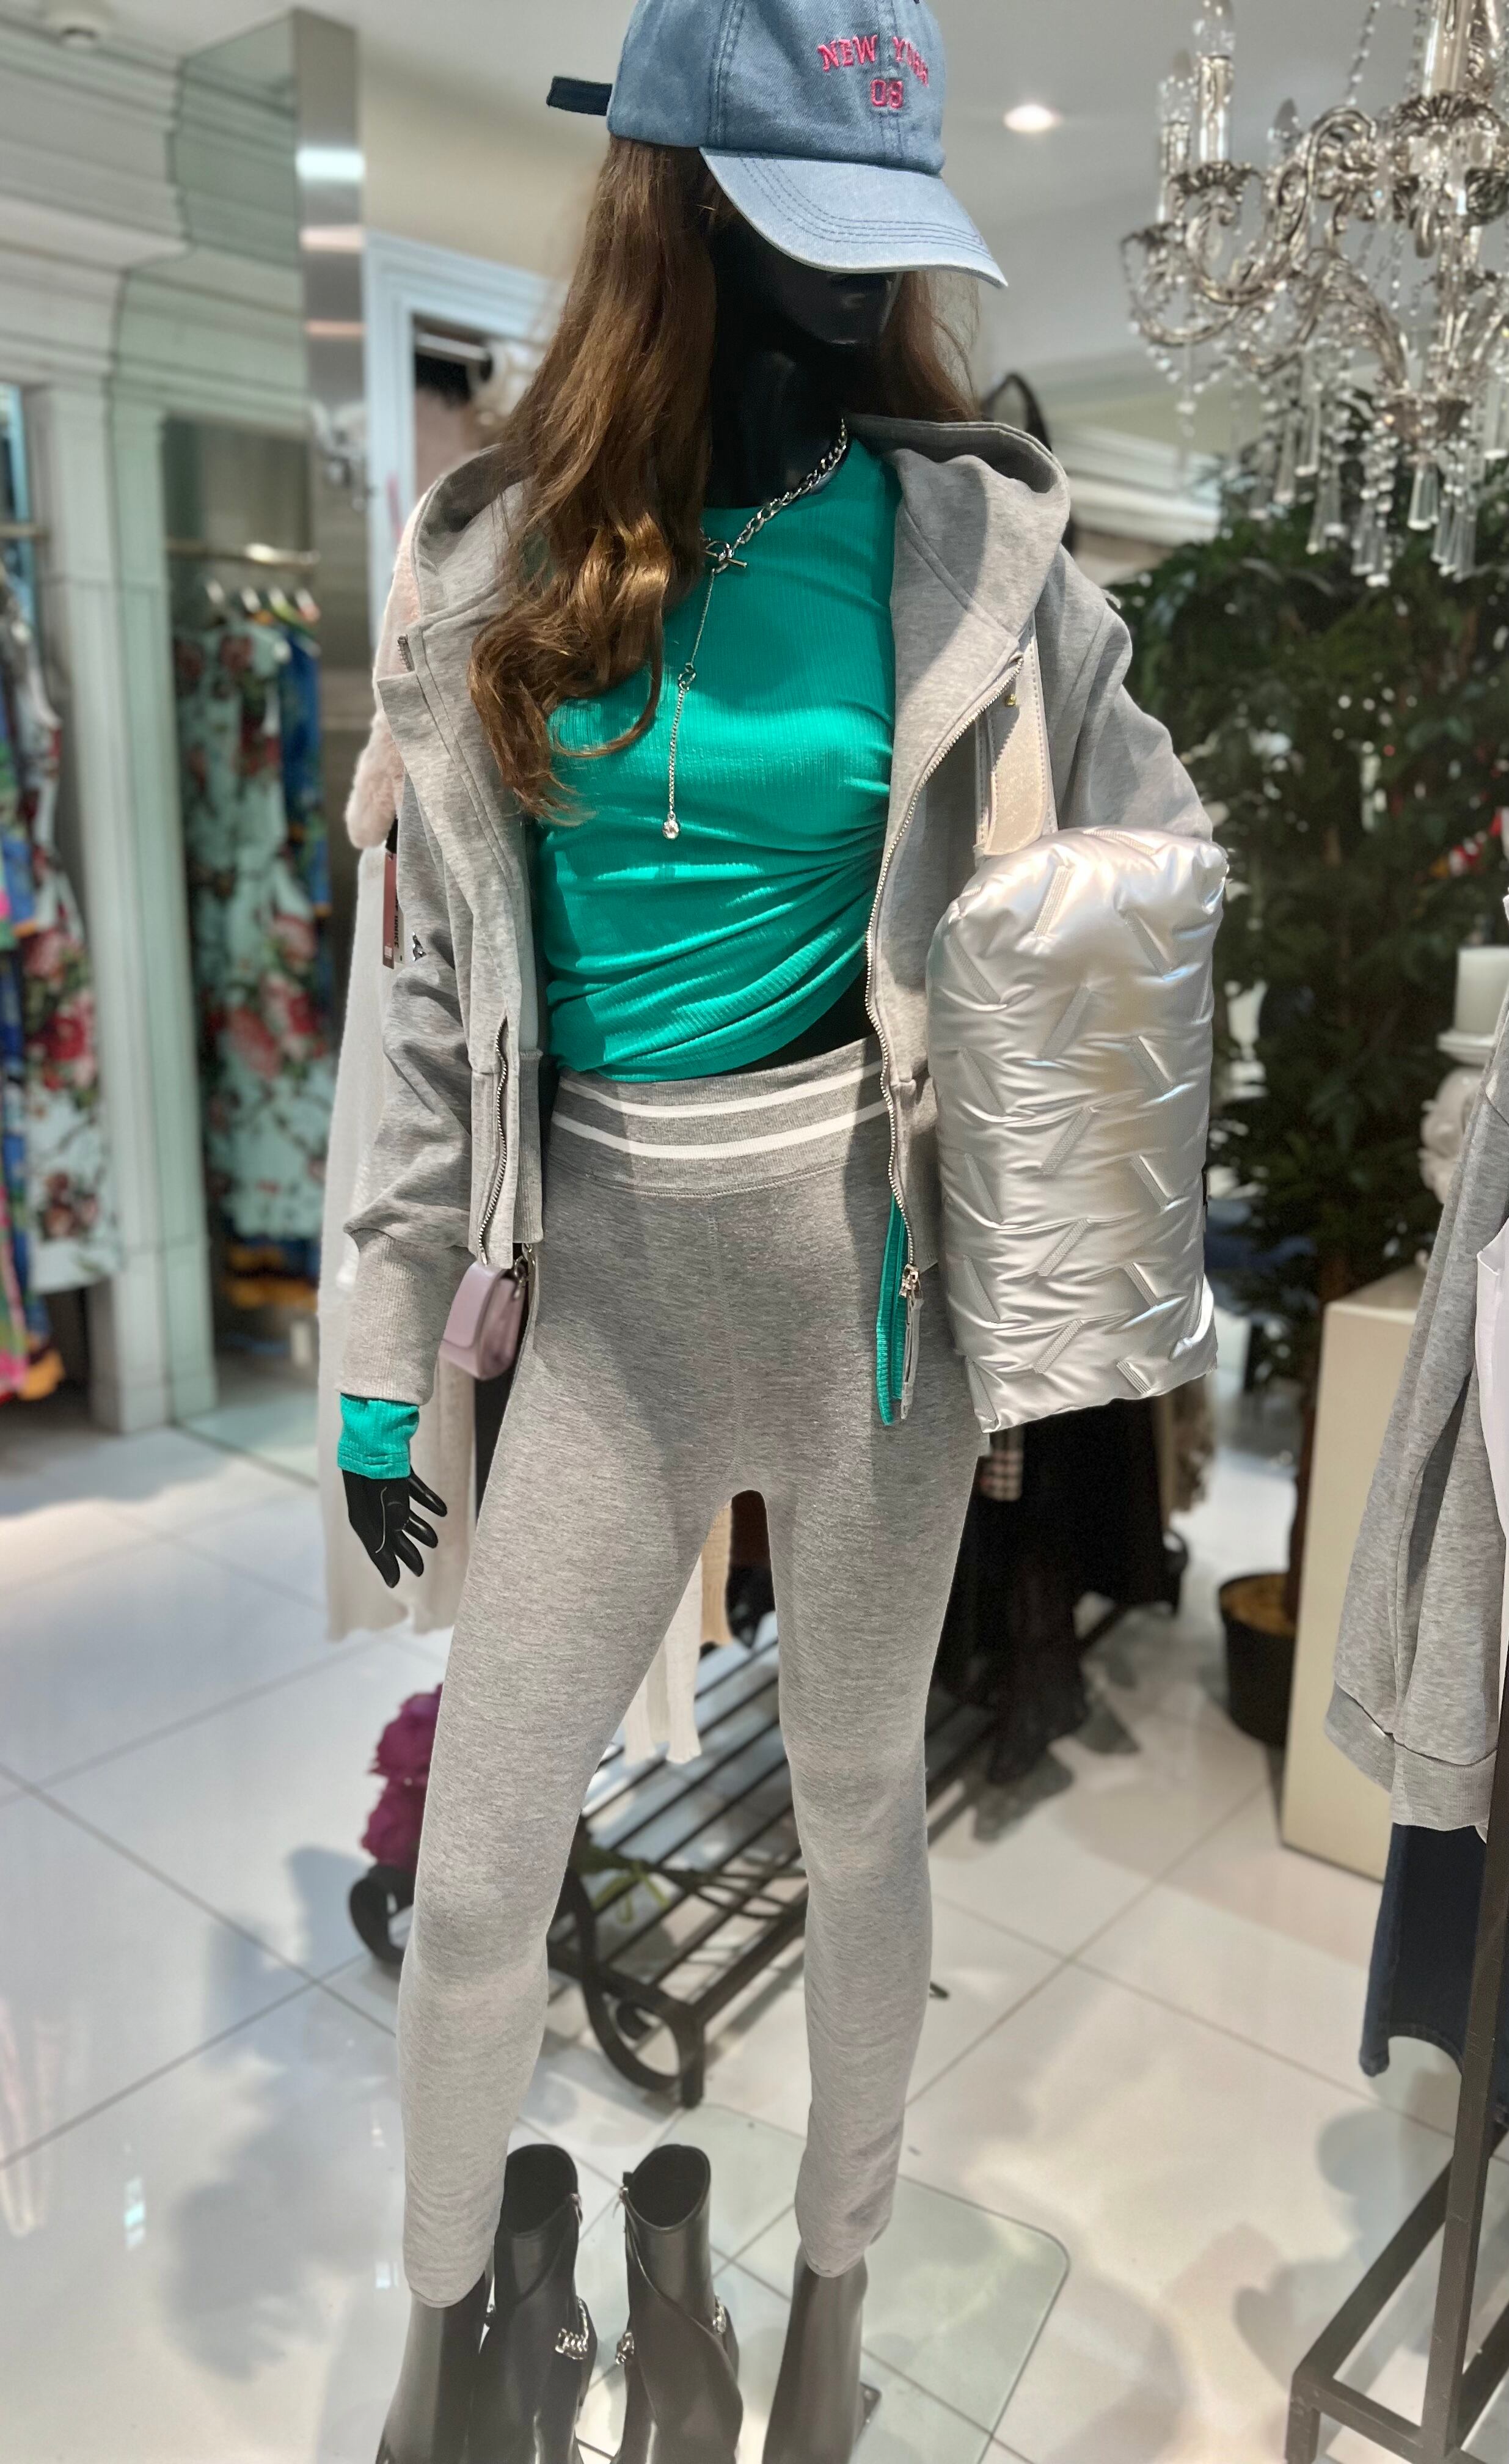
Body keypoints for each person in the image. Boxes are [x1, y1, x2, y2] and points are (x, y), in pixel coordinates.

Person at [336, 2, 1208, 2456]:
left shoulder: (973, 544)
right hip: (597, 1305)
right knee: (483, 1880)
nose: (857, 286)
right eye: (809, 231)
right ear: (682, 204)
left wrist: (1074, 1252)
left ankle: (828, 2298)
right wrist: (386, 1350)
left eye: (883, 238)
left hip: (873, 1313)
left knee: (854, 1820)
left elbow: (1143, 878)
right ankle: (435, 2339)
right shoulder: (493, 548)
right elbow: (435, 1006)